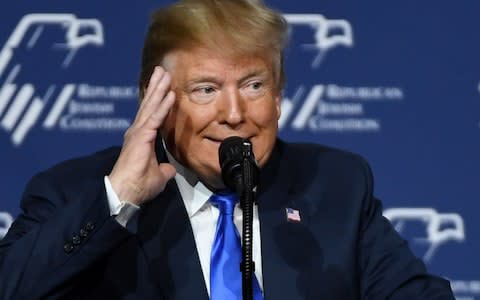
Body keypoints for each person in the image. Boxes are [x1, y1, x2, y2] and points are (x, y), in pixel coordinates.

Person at [0, 0, 455, 299]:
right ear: (153, 98)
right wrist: (120, 196)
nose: (234, 113)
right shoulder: (79, 192)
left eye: (254, 85)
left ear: (278, 96)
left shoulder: (335, 184)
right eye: (205, 89)